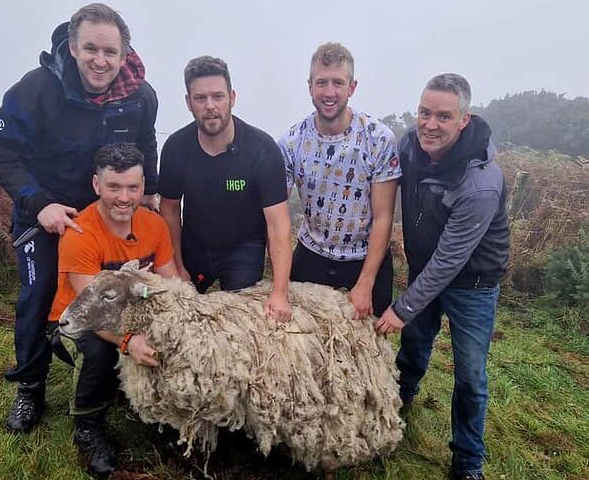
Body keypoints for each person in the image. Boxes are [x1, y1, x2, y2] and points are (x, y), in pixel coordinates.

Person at [0, 3, 160, 434]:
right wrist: (38, 203)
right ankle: (29, 388)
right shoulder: (36, 89)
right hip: (48, 210)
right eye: (91, 49)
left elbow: (146, 144)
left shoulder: (141, 96)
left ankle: (116, 373)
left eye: (110, 52)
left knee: (126, 292)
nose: (101, 61)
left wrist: (149, 193)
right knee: (40, 290)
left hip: (108, 215)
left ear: (125, 54)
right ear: (72, 47)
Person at [374, 73, 510, 480]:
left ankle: (467, 460)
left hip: (473, 282)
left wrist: (403, 307)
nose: (430, 124)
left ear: (463, 120)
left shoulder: (480, 183)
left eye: (443, 116)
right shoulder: (409, 147)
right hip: (423, 266)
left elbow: (451, 259)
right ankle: (400, 404)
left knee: (470, 374)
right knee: (414, 346)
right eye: (424, 112)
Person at [49, 143, 177, 475]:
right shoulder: (81, 232)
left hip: (133, 315)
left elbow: (172, 281)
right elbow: (92, 311)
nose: (124, 197)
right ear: (96, 185)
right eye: (114, 187)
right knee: (100, 353)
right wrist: (128, 342)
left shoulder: (155, 225)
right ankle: (88, 425)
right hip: (76, 322)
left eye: (133, 187)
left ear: (144, 186)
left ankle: (161, 411)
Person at [158, 55, 292, 322]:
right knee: (177, 315)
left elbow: (279, 226)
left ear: (232, 97)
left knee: (241, 321)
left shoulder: (262, 150)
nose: (210, 106)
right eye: (200, 98)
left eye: (218, 97)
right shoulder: (176, 148)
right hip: (195, 244)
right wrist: (177, 266)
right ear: (188, 102)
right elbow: (170, 209)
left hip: (244, 247)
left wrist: (280, 292)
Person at [278, 42, 400, 320]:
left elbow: (383, 217)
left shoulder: (379, 139)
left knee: (368, 347)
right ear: (310, 86)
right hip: (313, 254)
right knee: (302, 341)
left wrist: (365, 284)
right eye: (322, 83)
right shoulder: (291, 142)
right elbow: (279, 215)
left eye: (338, 82)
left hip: (365, 257)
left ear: (352, 87)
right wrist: (280, 284)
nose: (329, 92)